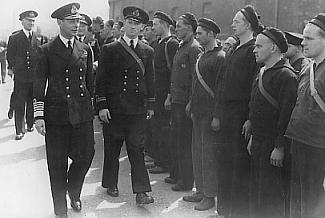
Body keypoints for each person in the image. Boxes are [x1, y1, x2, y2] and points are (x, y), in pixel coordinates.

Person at [33, 3, 95, 217]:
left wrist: (94, 109)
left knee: (86, 155)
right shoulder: (46, 50)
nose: (76, 25)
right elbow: (39, 84)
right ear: (59, 22)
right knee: (57, 165)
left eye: (78, 21)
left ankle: (73, 190)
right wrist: (39, 115)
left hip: (82, 114)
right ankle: (60, 211)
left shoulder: (85, 49)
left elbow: (90, 83)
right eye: (71, 21)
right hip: (57, 115)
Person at [96, 6, 155, 205]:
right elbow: (101, 80)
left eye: (137, 24)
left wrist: (150, 105)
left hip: (137, 109)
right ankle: (111, 183)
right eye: (129, 22)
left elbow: (150, 79)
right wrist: (102, 105)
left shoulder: (148, 51)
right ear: (124, 26)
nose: (132, 26)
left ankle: (141, 192)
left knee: (136, 149)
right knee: (113, 147)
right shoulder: (110, 49)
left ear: (141, 28)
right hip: (114, 109)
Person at [246, 27, 298, 218]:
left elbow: (287, 117)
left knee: (273, 196)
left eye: (259, 45)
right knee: (258, 191)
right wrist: (253, 137)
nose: (254, 49)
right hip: (259, 142)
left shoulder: (286, 76)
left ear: (274, 47)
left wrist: (280, 147)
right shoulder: (262, 72)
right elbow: (255, 107)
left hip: (274, 145)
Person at [215, 5, 260, 218]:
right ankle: (224, 209)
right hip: (227, 113)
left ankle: (237, 211)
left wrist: (250, 117)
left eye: (237, 21)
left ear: (248, 25)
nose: (233, 24)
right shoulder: (234, 49)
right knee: (224, 161)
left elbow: (254, 86)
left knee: (238, 165)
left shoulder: (253, 50)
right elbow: (222, 82)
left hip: (241, 113)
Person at [182, 18, 225, 211]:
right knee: (197, 152)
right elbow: (195, 82)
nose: (197, 36)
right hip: (198, 113)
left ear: (211, 34)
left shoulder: (220, 57)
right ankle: (200, 190)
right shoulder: (201, 56)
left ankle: (209, 195)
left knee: (208, 155)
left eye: (200, 33)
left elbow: (221, 90)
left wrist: (216, 116)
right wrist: (191, 103)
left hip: (209, 115)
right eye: (196, 33)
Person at [285, 13, 325, 218]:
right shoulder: (307, 68)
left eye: (309, 38)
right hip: (299, 140)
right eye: (303, 37)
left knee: (314, 200)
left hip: (319, 147)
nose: (302, 42)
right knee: (298, 198)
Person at [166, 12, 201, 191]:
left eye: (179, 26)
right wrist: (170, 96)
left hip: (185, 104)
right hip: (177, 101)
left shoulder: (194, 48)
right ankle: (179, 175)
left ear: (189, 28)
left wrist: (190, 103)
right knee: (178, 140)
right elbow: (175, 75)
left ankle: (186, 181)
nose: (176, 29)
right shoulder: (182, 47)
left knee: (185, 142)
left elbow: (196, 80)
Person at [149, 11, 179, 177]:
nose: (153, 28)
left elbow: (173, 73)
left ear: (165, 25)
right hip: (157, 94)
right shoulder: (158, 44)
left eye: (155, 24)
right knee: (157, 128)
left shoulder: (171, 44)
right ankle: (159, 160)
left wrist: (169, 94)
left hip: (165, 94)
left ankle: (165, 163)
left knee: (164, 129)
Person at [6, 10, 39, 140]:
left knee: (31, 100)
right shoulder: (15, 37)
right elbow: (10, 55)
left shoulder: (38, 37)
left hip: (34, 76)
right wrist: (14, 68)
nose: (31, 23)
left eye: (33, 21)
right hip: (20, 76)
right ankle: (19, 130)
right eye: (28, 20)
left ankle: (30, 123)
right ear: (22, 21)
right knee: (20, 103)